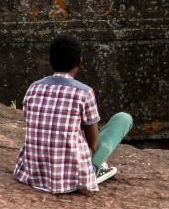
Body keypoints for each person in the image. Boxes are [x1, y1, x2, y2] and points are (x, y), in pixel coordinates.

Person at [14, 34, 131, 193]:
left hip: (33, 173)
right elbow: (93, 144)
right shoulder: (84, 92)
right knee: (123, 119)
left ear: (50, 61)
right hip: (71, 177)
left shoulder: (33, 88)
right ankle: (97, 169)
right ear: (79, 62)